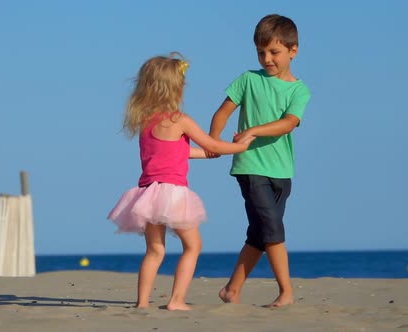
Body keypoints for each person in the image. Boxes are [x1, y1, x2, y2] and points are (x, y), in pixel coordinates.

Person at [108, 52, 255, 311]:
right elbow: (210, 142)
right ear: (175, 89)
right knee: (193, 245)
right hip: (173, 193)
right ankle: (176, 300)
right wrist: (240, 147)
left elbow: (178, 152)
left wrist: (208, 154)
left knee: (155, 251)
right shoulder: (180, 120)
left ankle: (142, 303)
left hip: (148, 194)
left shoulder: (145, 123)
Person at [208, 14, 311, 307]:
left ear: (293, 51)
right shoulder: (248, 80)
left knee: (260, 233)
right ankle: (286, 292)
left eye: (274, 52)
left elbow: (289, 123)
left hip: (282, 170)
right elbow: (223, 112)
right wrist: (215, 141)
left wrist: (253, 130)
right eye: (261, 52)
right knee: (274, 231)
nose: (267, 58)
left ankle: (231, 289)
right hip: (250, 167)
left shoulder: (299, 90)